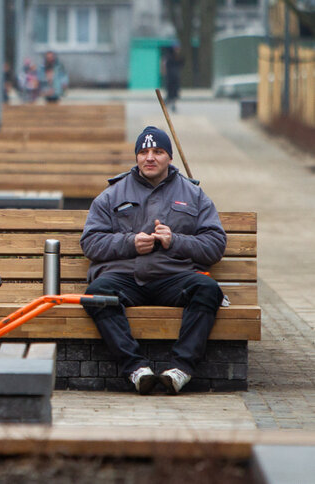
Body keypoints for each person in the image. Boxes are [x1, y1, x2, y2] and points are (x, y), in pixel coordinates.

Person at [80, 126, 226, 395]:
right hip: (127, 276)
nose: (150, 157)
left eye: (158, 152)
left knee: (207, 290)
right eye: (143, 152)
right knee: (97, 294)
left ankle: (180, 369)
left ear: (169, 157)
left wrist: (176, 240)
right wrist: (130, 242)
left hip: (174, 278)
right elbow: (90, 242)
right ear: (136, 157)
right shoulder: (112, 194)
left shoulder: (194, 195)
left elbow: (215, 245)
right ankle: (136, 370)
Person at [162, 45, 183, 112]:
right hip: (170, 77)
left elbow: (181, 65)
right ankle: (167, 103)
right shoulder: (168, 57)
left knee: (175, 93)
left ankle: (173, 105)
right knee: (170, 93)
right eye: (176, 49)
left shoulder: (178, 57)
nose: (178, 50)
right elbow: (164, 66)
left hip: (176, 78)